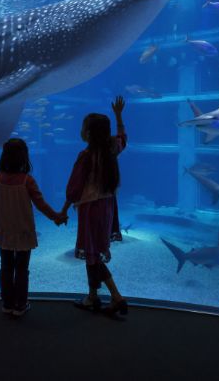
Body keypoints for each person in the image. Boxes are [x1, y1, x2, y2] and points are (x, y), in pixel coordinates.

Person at [0, 140, 65, 317]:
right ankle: (21, 305)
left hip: (4, 231)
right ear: (25, 157)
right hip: (23, 232)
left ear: (4, 157)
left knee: (6, 267)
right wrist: (56, 217)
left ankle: (7, 304)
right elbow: (41, 204)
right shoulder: (27, 180)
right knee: (22, 268)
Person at [61, 96, 128, 315]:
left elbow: (74, 188)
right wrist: (118, 115)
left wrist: (63, 209)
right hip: (108, 207)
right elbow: (122, 138)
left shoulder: (86, 155)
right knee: (94, 253)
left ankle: (116, 297)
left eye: (83, 127)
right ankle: (92, 296)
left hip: (90, 209)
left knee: (91, 254)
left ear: (88, 133)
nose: (81, 131)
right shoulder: (111, 149)